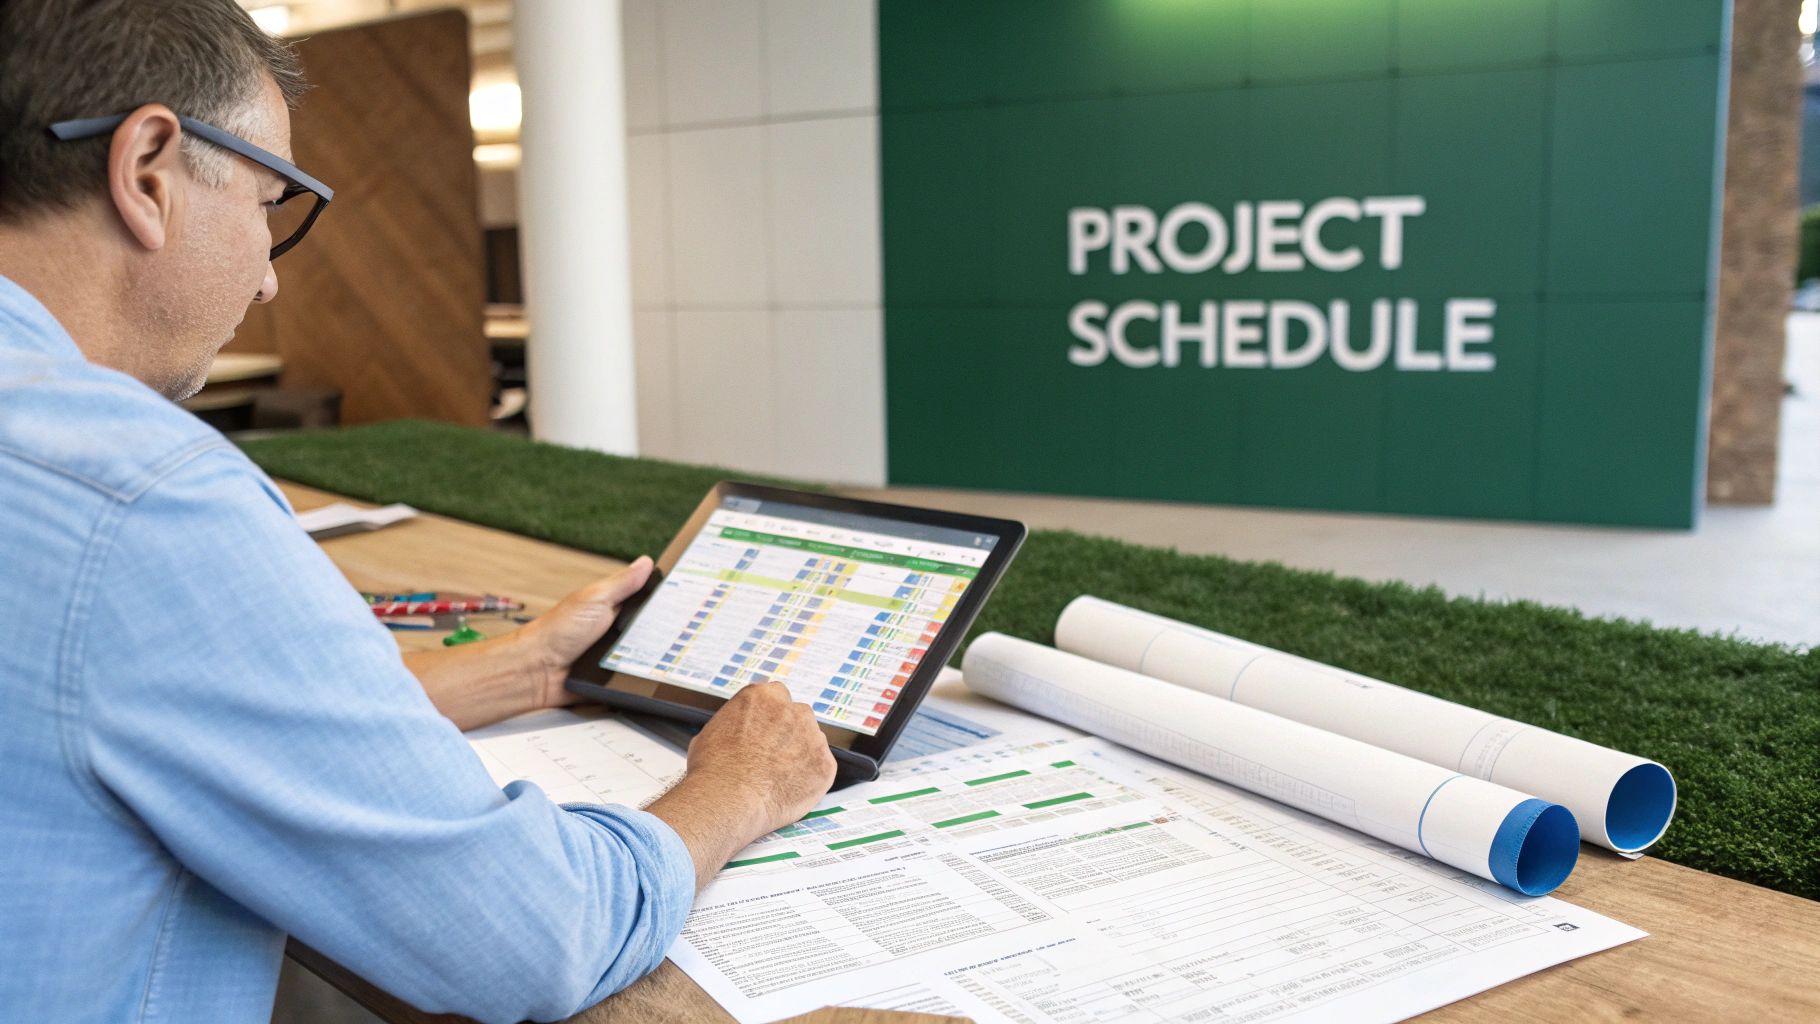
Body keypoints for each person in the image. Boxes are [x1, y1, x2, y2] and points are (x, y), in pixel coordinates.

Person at [0, 2, 836, 1022]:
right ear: (146, 171)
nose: (267, 281)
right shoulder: (140, 497)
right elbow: (530, 937)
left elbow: (143, 709)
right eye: (269, 203)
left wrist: (523, 669)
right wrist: (739, 786)